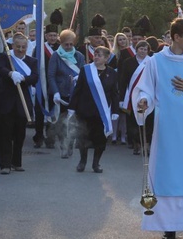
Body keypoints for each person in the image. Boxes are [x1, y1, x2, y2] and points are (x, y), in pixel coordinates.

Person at [133, 18, 183, 239]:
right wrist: (143, 101)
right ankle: (168, 227)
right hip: (166, 129)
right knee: (166, 176)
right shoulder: (155, 62)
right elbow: (147, 89)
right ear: (176, 37)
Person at [68, 46, 120, 173]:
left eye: (100, 55)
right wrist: (72, 108)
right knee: (83, 137)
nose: (96, 57)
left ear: (107, 58)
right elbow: (77, 90)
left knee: (100, 139)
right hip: (84, 110)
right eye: (95, 54)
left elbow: (114, 93)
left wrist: (115, 111)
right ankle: (82, 161)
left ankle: (96, 163)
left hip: (101, 113)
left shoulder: (112, 73)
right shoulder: (86, 70)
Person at [0, 33, 39, 174]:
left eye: (23, 47)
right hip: (5, 103)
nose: (20, 49)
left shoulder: (32, 61)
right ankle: (5, 165)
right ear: (12, 45)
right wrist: (11, 74)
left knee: (20, 134)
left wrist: (24, 79)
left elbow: (35, 77)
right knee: (4, 134)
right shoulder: (5, 57)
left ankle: (16, 162)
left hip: (23, 103)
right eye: (18, 46)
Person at [48, 29, 86, 158]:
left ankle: (70, 143)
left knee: (73, 121)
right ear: (61, 43)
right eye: (66, 44)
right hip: (61, 94)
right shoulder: (55, 56)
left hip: (75, 94)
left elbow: (83, 73)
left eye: (71, 44)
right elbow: (51, 76)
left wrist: (79, 79)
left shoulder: (79, 56)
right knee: (61, 121)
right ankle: (63, 144)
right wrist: (55, 92)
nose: (69, 47)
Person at [119, 40, 152, 155]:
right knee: (133, 120)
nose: (143, 51)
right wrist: (121, 98)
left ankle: (146, 144)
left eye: (145, 49)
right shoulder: (128, 62)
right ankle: (136, 143)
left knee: (146, 119)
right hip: (132, 95)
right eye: (141, 49)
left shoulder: (151, 62)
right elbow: (123, 80)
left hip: (146, 96)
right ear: (136, 49)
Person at [33, 24, 61, 149]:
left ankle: (50, 138)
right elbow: (33, 64)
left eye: (55, 35)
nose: (53, 38)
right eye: (50, 35)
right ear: (45, 36)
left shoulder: (61, 48)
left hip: (55, 85)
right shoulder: (39, 48)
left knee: (53, 112)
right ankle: (38, 137)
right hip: (41, 83)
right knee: (39, 112)